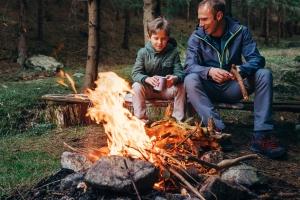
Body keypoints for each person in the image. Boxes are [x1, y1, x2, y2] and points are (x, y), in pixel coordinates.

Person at [184, 0, 286, 158]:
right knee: (190, 79)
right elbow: (189, 66)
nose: (200, 24)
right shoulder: (197, 37)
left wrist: (241, 70)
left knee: (264, 74)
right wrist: (209, 71)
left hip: (234, 87)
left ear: (219, 16)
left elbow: (257, 60)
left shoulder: (240, 31)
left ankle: (262, 136)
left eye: (204, 19)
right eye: (199, 19)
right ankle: (218, 132)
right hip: (207, 89)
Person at [131, 17, 185, 123]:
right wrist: (147, 79)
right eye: (156, 38)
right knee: (136, 86)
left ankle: (178, 121)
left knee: (182, 86)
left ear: (168, 38)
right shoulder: (143, 53)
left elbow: (180, 72)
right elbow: (135, 73)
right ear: (149, 37)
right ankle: (141, 120)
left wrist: (175, 78)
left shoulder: (173, 52)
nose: (160, 42)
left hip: (167, 89)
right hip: (149, 89)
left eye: (163, 39)